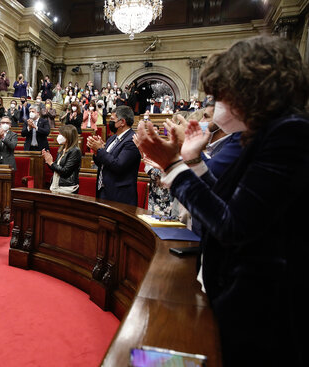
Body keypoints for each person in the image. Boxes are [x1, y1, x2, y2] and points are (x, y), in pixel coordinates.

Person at [134, 35, 309, 367]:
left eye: (221, 94)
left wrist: (173, 166)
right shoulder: (266, 134)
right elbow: (229, 202)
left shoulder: (290, 133)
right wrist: (193, 163)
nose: (217, 103)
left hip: (264, 312)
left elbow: (233, 225)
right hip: (244, 298)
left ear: (250, 89)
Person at [87, 105, 141, 205]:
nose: (109, 122)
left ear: (122, 122)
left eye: (112, 119)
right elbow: (103, 163)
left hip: (119, 196)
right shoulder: (112, 138)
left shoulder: (132, 140)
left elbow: (118, 165)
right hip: (104, 191)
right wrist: (96, 152)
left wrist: (100, 150)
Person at [42, 124, 82, 194]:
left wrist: (51, 163)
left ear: (68, 136)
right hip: (55, 185)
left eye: (61, 134)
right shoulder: (62, 149)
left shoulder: (75, 151)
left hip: (66, 188)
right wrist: (48, 160)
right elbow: (56, 169)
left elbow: (65, 171)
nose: (59, 136)